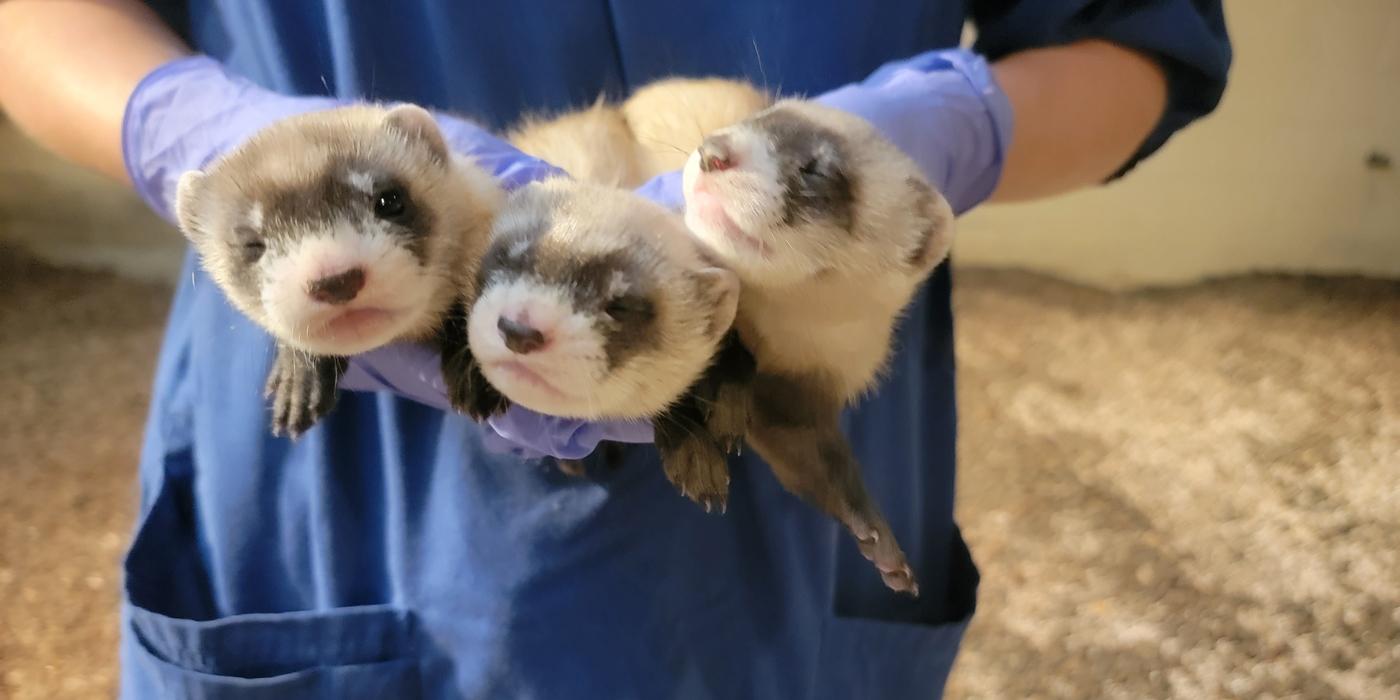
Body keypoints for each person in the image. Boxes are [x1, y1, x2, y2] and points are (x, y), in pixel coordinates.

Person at [0, 1, 1230, 697]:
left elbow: (1134, 34)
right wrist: (182, 126)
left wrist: (959, 123)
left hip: (788, 373)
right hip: (344, 484)